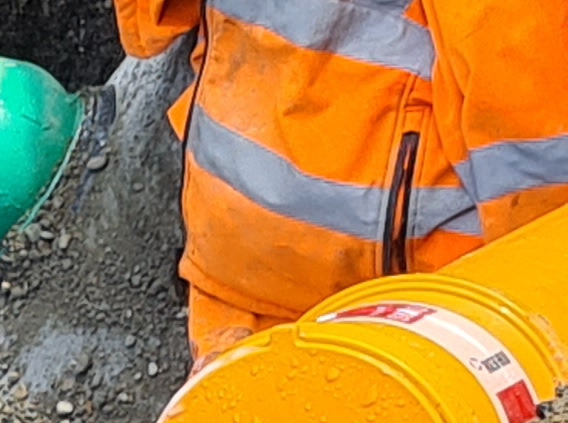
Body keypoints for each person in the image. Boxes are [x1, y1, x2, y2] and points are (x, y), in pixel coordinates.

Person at [119, 0, 568, 358]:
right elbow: (527, 140)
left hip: (235, 273)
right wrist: (543, 308)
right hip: (419, 307)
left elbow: (147, 28)